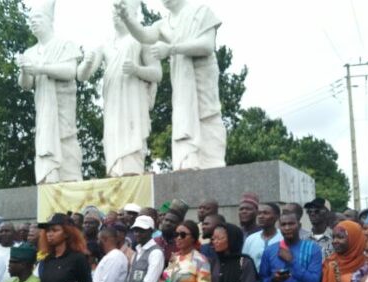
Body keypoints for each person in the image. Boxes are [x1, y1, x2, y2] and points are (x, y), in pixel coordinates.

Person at [116, 0, 226, 171]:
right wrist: (128, 19)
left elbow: (207, 45)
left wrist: (172, 49)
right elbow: (145, 35)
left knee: (208, 119)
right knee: (186, 123)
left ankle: (211, 166)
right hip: (183, 90)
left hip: (203, 81)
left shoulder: (200, 12)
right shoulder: (163, 24)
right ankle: (190, 161)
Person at [77, 0, 161, 177]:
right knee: (113, 139)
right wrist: (86, 63)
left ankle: (132, 170)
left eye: (122, 10)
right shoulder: (105, 44)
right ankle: (115, 171)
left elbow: (157, 73)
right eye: (114, 10)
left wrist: (137, 70)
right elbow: (82, 75)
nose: (117, 13)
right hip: (113, 103)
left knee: (132, 141)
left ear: (132, 14)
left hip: (133, 102)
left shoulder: (141, 40)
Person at [18, 3, 82, 183]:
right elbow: (26, 85)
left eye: (37, 18)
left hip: (62, 110)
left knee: (66, 143)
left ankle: (69, 179)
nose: (33, 23)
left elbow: (71, 71)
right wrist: (24, 69)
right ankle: (49, 178)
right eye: (30, 20)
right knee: (46, 147)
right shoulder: (30, 52)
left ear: (49, 20)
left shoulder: (64, 45)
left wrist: (39, 68)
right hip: (44, 113)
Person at [155, 200, 188, 265]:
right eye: (166, 220)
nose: (168, 223)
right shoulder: (155, 241)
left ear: (179, 225)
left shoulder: (182, 245)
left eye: (172, 222)